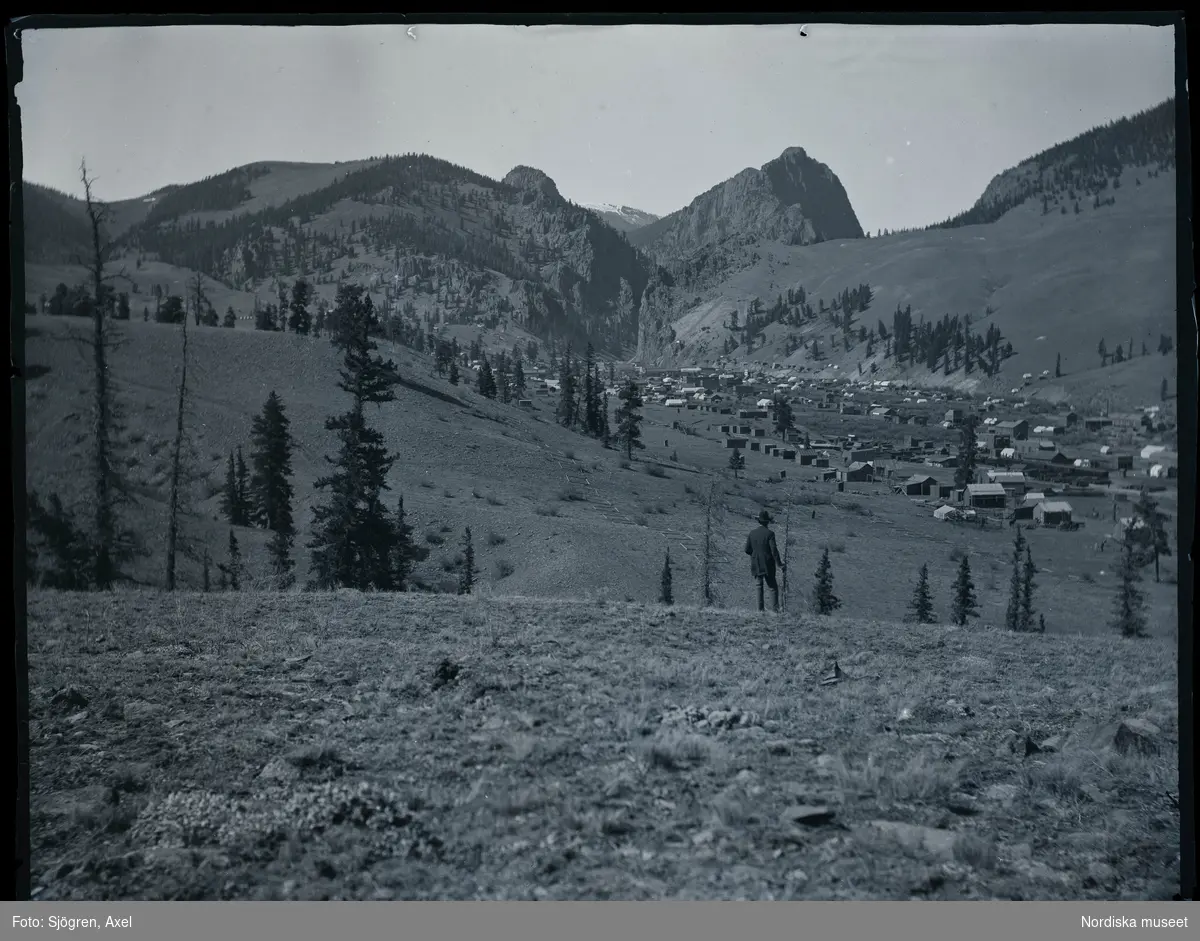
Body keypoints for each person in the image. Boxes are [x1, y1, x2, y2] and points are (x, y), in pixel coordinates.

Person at [745, 509, 785, 613]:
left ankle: (760, 611)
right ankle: (775, 611)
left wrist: (755, 555)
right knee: (772, 587)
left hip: (756, 562)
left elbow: (747, 550)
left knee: (759, 585)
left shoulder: (752, 533)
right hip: (768, 563)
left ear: (759, 521)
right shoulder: (770, 534)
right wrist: (779, 564)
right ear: (767, 522)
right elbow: (774, 551)